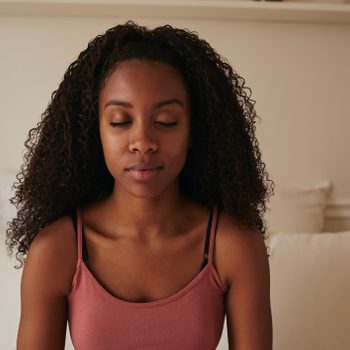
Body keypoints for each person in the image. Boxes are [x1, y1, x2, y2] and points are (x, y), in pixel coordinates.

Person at [6, 20, 274, 349]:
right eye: (120, 121)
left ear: (192, 131)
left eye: (166, 122)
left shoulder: (234, 246)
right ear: (97, 133)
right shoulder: (56, 250)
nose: (143, 142)